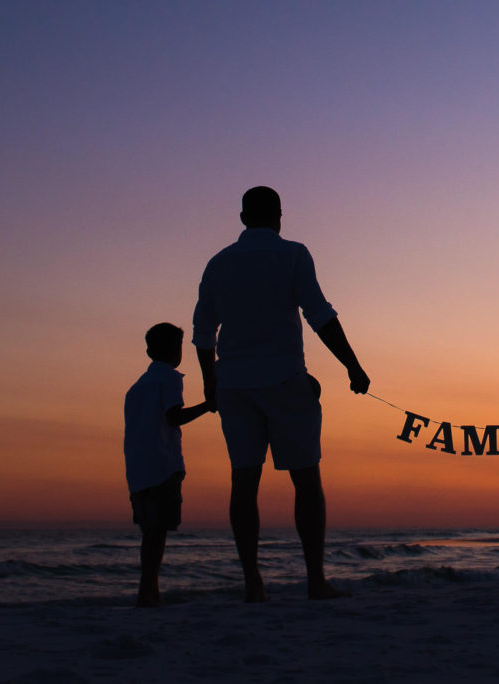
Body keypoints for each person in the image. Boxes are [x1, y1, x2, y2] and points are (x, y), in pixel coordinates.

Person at [193, 186, 370, 602]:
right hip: (284, 380)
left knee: (243, 481)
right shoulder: (293, 254)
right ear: (279, 216)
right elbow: (320, 315)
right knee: (306, 479)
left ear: (242, 218)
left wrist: (209, 383)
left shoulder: (218, 263)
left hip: (234, 384)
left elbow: (203, 333)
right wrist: (352, 365)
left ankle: (253, 582)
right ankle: (315, 579)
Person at [124, 322, 213, 607]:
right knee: (157, 532)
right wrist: (209, 405)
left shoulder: (136, 388)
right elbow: (174, 417)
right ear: (175, 350)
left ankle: (150, 591)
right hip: (162, 464)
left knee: (149, 532)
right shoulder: (171, 379)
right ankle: (147, 593)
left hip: (138, 469)